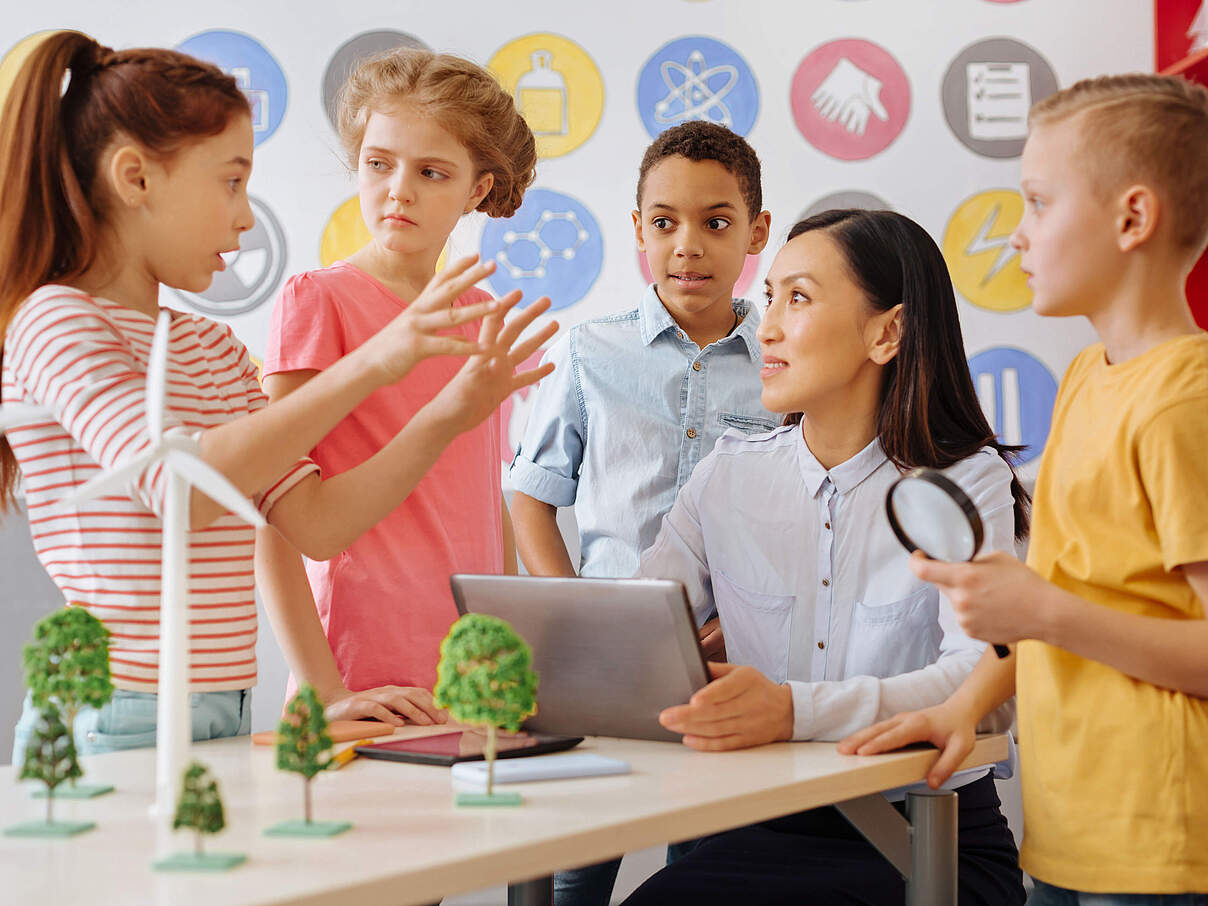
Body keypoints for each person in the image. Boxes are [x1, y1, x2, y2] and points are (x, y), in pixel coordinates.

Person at [0, 32, 543, 759]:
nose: (247, 218)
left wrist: (444, 414)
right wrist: (378, 363)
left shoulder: (215, 349)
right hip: (114, 704)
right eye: (231, 182)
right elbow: (177, 490)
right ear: (136, 179)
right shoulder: (57, 319)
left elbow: (312, 524)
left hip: (223, 703)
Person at [840, 74, 1208, 903]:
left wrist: (1045, 611)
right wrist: (964, 706)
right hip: (1073, 834)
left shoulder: (1184, 403)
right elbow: (1063, 592)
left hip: (1163, 840)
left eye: (1038, 203)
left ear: (1133, 219)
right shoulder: (1085, 377)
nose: (1016, 235)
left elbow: (1057, 609)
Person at [624, 209, 1028, 906]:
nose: (767, 327)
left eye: (799, 298)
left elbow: (980, 679)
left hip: (932, 841)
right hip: (761, 832)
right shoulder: (728, 475)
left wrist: (792, 711)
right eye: (771, 295)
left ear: (887, 333)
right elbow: (632, 630)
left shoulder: (966, 482)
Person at [508, 120, 776, 906]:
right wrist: (574, 615)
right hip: (599, 666)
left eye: (716, 223)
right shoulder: (589, 351)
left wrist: (747, 618)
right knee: (573, 866)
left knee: (704, 866)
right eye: (664, 223)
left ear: (757, 232)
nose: (687, 246)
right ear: (638, 230)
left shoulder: (783, 365)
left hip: (726, 662)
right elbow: (531, 497)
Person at [256, 48, 556, 723]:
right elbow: (273, 520)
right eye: (379, 163)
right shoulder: (319, 301)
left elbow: (483, 504)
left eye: (431, 172)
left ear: (477, 189)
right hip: (362, 679)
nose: (399, 190)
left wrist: (500, 650)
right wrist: (325, 692)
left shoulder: (481, 317)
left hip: (470, 683)